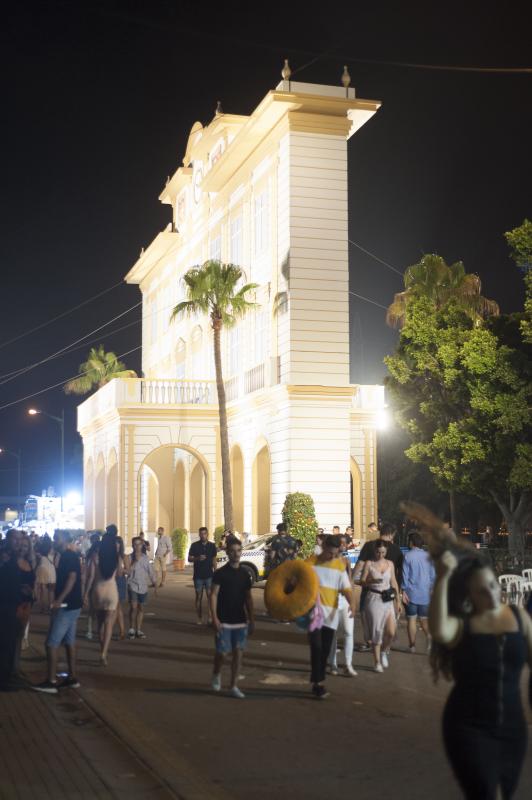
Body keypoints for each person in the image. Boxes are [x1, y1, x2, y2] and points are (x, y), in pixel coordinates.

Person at [430, 550, 532, 800]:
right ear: (469, 596)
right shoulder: (462, 625)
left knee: (503, 793)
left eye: (492, 585)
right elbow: (439, 629)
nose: (491, 593)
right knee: (487, 794)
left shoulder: (519, 618)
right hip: (468, 726)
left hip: (512, 727)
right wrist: (443, 578)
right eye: (481, 591)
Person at [32, 530, 82, 693]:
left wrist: (59, 599)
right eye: (54, 538)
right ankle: (72, 678)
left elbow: (72, 578)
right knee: (69, 642)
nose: (54, 541)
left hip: (66, 606)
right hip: (73, 605)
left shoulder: (69, 556)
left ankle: (51, 681)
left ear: (66, 540)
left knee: (51, 643)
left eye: (57, 539)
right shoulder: (66, 556)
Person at [307, 535, 356, 698]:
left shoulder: (338, 566)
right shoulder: (310, 562)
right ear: (324, 546)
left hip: (331, 617)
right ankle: (318, 683)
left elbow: (347, 588)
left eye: (335, 554)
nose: (332, 556)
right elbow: (298, 580)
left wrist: (353, 605)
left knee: (325, 650)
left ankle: (317, 680)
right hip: (314, 614)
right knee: (316, 647)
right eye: (330, 553)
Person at [210, 539, 254, 699]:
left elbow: (249, 598)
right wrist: (214, 617)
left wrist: (252, 619)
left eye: (238, 550)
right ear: (228, 553)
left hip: (240, 621)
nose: (236, 554)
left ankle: (233, 686)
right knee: (222, 654)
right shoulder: (221, 573)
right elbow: (213, 595)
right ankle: (216, 673)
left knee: (238, 654)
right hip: (223, 620)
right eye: (233, 551)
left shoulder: (245, 574)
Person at [354, 522, 403, 650]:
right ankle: (383, 643)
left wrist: (351, 579)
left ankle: (369, 640)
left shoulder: (370, 545)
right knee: (387, 615)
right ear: (392, 535)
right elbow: (399, 573)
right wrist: (399, 594)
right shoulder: (397, 550)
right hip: (389, 589)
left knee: (365, 613)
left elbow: (359, 564)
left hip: (370, 588)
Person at [0, 530, 35, 691]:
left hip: (15, 604)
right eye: (15, 539)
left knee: (10, 643)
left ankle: (8, 676)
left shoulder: (13, 557)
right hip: (5, 605)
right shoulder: (4, 557)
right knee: (5, 643)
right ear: (8, 540)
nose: (18, 543)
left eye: (20, 540)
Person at [360, 539, 401, 672]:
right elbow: (362, 581)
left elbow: (394, 582)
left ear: (386, 551)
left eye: (383, 552)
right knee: (376, 630)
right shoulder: (369, 563)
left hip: (388, 599)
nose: (380, 555)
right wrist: (371, 580)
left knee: (391, 631)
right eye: (378, 552)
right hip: (373, 598)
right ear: (374, 551)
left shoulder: (390, 564)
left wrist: (398, 601)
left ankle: (384, 651)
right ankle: (377, 662)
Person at [83, 525, 120, 665]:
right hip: (111, 590)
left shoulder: (95, 556)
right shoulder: (115, 557)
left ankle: (101, 649)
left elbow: (90, 577)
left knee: (99, 624)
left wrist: (86, 593)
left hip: (98, 591)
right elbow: (121, 573)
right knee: (109, 624)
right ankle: (104, 654)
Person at [328, 534, 357, 677]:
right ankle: (333, 664)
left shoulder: (345, 561)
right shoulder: (327, 562)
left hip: (345, 600)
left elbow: (350, 582)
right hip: (331, 600)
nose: (343, 546)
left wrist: (353, 601)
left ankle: (348, 664)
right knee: (332, 634)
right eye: (341, 544)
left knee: (349, 632)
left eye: (345, 544)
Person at [402, 531, 435, 653]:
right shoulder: (428, 556)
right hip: (425, 593)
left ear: (411, 543)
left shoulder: (407, 556)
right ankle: (430, 638)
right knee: (424, 619)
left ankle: (412, 646)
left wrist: (403, 590)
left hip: (411, 593)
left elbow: (405, 576)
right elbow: (433, 576)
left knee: (411, 620)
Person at [127, 536, 156, 639]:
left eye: (139, 544)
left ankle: (138, 629)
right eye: (135, 544)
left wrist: (154, 582)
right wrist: (135, 561)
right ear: (132, 546)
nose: (137, 546)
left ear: (142, 545)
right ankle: (131, 629)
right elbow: (128, 571)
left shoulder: (145, 558)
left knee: (141, 608)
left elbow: (150, 571)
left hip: (143, 586)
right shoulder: (129, 557)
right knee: (133, 607)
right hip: (132, 585)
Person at [188, 527, 217, 625]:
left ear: (207, 534)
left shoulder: (212, 545)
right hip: (198, 576)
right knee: (198, 597)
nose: (203, 535)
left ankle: (209, 616)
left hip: (209, 575)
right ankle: (199, 617)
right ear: (199, 535)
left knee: (210, 596)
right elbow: (189, 558)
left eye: (204, 533)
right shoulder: (194, 545)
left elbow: (214, 559)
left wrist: (215, 571)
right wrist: (197, 558)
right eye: (201, 534)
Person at [34, 535, 56, 613]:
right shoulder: (53, 549)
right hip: (51, 570)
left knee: (42, 590)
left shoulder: (40, 549)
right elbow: (55, 562)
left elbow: (37, 561)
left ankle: (42, 608)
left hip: (42, 568)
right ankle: (51, 607)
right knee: (51, 590)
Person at [114, 535, 127, 640]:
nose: (115, 545)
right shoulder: (109, 556)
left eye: (117, 543)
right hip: (111, 582)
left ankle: (121, 631)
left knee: (117, 607)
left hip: (120, 581)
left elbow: (129, 570)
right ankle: (121, 631)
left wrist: (123, 571)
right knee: (116, 608)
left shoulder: (124, 557)